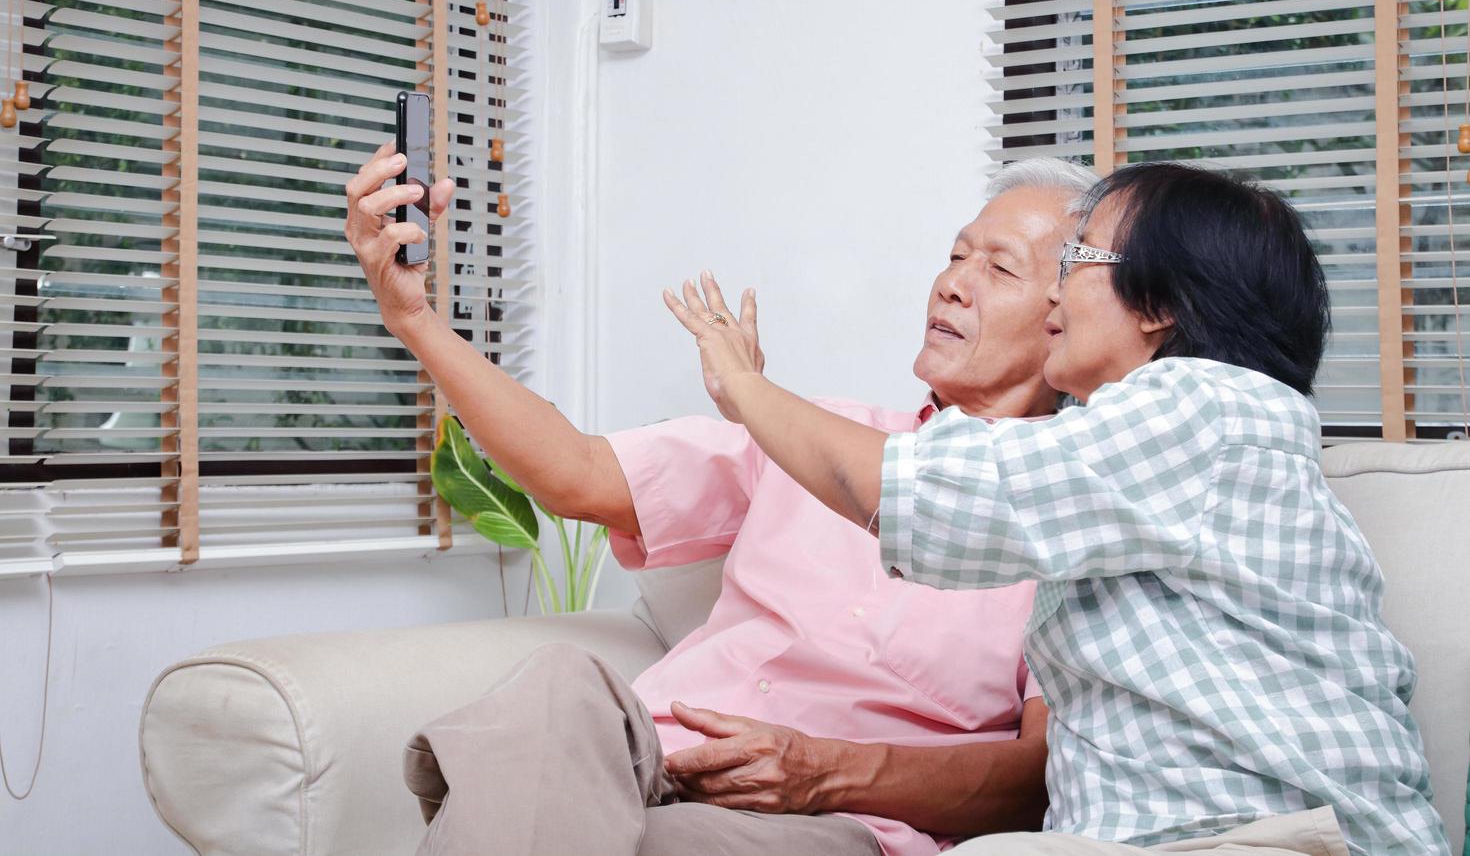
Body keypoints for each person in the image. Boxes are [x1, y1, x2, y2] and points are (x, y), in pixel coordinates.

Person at [663, 162, 1449, 855]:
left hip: (1278, 836)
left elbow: (931, 498)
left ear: (1158, 306)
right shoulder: (1105, 460)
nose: (1053, 292)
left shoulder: (1208, 407)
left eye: (1078, 260)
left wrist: (746, 388)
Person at [343, 149, 1099, 855]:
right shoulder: (808, 437)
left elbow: (1039, 780)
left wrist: (823, 772)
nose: (953, 282)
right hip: (644, 756)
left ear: (1068, 319)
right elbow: (575, 472)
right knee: (560, 684)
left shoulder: (1072, 527)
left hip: (820, 820)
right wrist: (414, 318)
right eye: (957, 254)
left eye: (999, 268)